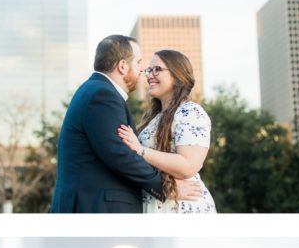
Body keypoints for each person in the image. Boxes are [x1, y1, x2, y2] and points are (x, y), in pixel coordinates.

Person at [50, 35, 203, 213]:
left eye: (156, 70)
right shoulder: (103, 95)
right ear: (122, 66)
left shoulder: (96, 91)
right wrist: (165, 187)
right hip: (98, 207)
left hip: (179, 203)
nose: (143, 72)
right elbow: (119, 153)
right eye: (139, 63)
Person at [116, 50, 216, 213]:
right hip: (158, 204)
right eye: (149, 70)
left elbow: (188, 166)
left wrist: (140, 150)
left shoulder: (190, 112)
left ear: (177, 74)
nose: (150, 76)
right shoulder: (153, 118)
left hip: (182, 208)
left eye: (157, 69)